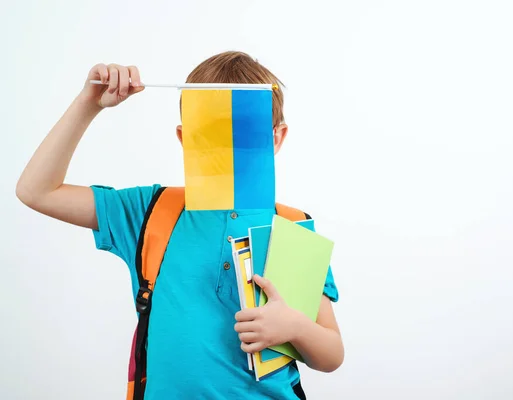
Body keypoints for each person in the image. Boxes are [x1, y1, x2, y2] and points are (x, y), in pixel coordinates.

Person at [16, 51, 344, 399]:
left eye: (243, 131)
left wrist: (294, 327)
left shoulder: (292, 228)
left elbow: (331, 354)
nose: (227, 145)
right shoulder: (151, 210)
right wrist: (88, 104)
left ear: (276, 138)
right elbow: (37, 191)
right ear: (184, 137)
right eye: (210, 131)